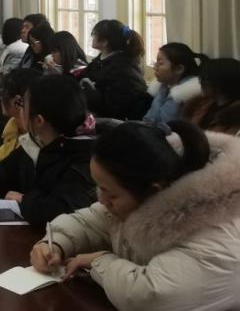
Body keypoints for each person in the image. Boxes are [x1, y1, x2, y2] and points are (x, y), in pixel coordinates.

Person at [30, 121, 240, 311]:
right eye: (99, 188)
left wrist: (99, 262)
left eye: (110, 193)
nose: (102, 200)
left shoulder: (215, 233)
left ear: (153, 191)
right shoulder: (145, 195)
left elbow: (152, 296)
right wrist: (56, 243)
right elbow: (92, 221)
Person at [0, 75, 96, 226]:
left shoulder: (84, 158)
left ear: (39, 121)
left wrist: (24, 201)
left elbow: (63, 210)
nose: (20, 109)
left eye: (22, 104)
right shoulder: (36, 142)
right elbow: (6, 169)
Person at [78, 20, 149, 120]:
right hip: (95, 112)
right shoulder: (102, 59)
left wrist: (89, 89)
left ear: (104, 42)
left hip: (111, 120)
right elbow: (84, 76)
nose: (92, 37)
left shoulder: (123, 69)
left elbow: (112, 108)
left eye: (94, 34)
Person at [143, 43, 204, 125]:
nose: (155, 67)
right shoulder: (165, 85)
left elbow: (164, 125)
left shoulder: (185, 94)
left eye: (160, 63)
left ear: (179, 69)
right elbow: (148, 119)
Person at [182, 58, 240, 135]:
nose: (200, 82)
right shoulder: (200, 105)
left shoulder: (235, 117)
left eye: (204, 79)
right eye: (200, 78)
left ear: (219, 84)